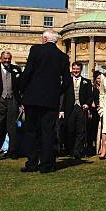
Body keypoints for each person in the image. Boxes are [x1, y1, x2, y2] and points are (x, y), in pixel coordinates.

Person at [20, 30, 71, 173]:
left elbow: (28, 72)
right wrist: (56, 92)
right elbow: (67, 82)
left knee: (31, 131)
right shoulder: (63, 57)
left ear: (44, 39)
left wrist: (22, 90)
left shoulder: (36, 50)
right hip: (51, 101)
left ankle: (32, 164)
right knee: (48, 132)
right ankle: (46, 165)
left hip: (32, 98)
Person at [0, 51, 22, 160]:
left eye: (9, 59)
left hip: (12, 100)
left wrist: (20, 102)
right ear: (1, 58)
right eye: (5, 59)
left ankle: (13, 151)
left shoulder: (16, 69)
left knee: (12, 127)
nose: (7, 61)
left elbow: (20, 87)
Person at [60, 61, 93, 159]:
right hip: (69, 108)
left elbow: (90, 96)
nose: (75, 71)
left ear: (81, 70)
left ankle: (77, 151)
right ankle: (70, 149)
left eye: (77, 69)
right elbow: (63, 96)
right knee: (70, 130)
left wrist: (87, 104)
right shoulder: (67, 81)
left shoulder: (86, 82)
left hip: (81, 108)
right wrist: (61, 110)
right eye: (74, 69)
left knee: (81, 131)